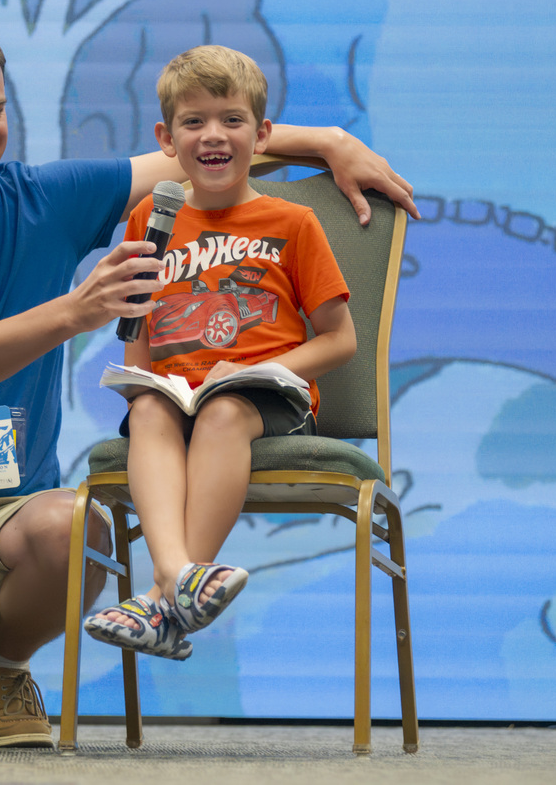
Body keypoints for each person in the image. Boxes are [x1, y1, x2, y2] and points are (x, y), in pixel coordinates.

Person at [0, 14, 417, 750]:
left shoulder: (42, 197)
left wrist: (327, 141)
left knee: (74, 525)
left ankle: (2, 667)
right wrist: (76, 311)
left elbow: (200, 150)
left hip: (8, 517)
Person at [83, 44, 355, 659]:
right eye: (194, 121)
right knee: (147, 408)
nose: (214, 135)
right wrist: (141, 382)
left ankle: (160, 595)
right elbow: (141, 328)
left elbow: (342, 340)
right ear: (166, 138)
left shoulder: (292, 222)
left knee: (225, 408)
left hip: (264, 394)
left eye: (232, 120)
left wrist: (261, 368)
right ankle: (180, 580)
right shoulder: (151, 217)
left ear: (261, 135)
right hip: (177, 392)